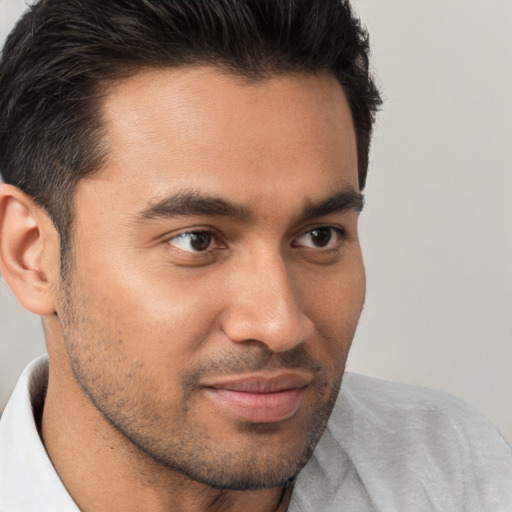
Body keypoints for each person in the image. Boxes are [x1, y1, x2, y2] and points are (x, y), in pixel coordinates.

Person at [0, 0, 510, 510]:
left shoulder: (453, 472)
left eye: (320, 236)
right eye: (196, 240)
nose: (280, 324)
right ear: (31, 255)